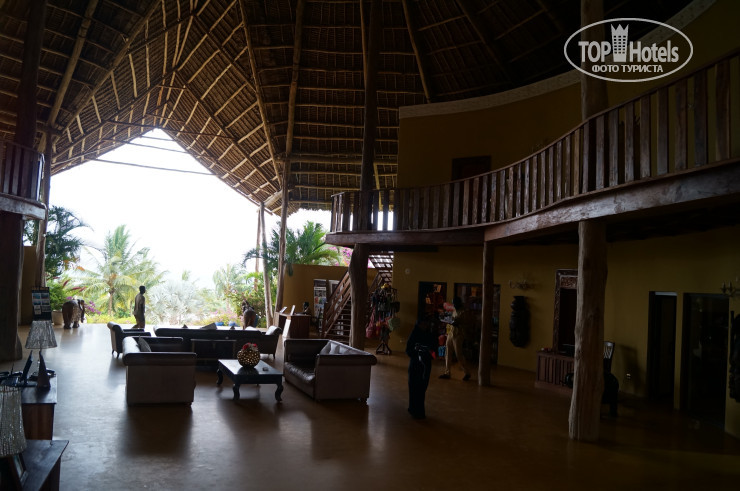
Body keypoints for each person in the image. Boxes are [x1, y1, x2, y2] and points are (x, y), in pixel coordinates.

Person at [406, 316, 437, 419]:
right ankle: (413, 409)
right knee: (413, 388)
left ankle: (419, 411)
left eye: (426, 324)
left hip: (425, 366)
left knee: (422, 389)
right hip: (415, 365)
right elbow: (408, 350)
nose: (425, 326)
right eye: (423, 324)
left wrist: (428, 352)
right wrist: (416, 352)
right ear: (418, 324)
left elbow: (435, 354)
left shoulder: (430, 335)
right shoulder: (414, 334)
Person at [439, 296, 471, 381]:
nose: (454, 305)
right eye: (453, 303)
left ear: (459, 303)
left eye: (455, 303)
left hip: (459, 335)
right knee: (447, 353)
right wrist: (447, 319)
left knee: (458, 354)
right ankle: (447, 373)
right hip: (451, 333)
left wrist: (451, 321)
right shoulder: (454, 310)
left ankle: (467, 372)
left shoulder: (464, 312)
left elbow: (460, 323)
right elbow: (452, 320)